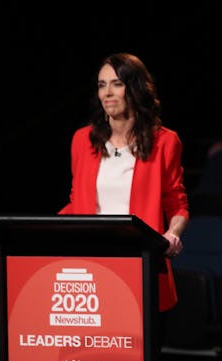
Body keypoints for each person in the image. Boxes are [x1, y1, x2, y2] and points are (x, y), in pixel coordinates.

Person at [59, 52, 189, 313]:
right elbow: (77, 202)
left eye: (117, 84)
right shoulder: (82, 140)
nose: (107, 92)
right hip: (91, 267)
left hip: (139, 266)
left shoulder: (165, 142)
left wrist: (172, 235)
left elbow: (177, 203)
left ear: (136, 88)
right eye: (101, 84)